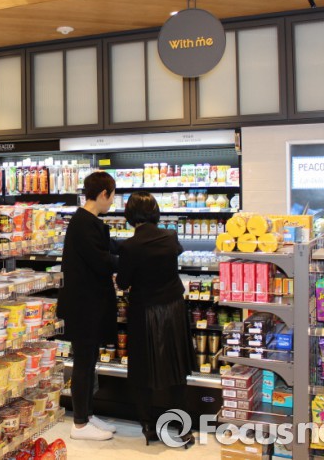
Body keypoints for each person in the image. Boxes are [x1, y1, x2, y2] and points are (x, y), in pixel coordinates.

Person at [115, 191, 196, 446]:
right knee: (176, 367)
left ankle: (148, 425)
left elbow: (123, 282)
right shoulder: (170, 237)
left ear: (130, 214)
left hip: (145, 310)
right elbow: (176, 253)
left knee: (142, 369)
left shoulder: (130, 246)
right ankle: (184, 428)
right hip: (173, 308)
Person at [57, 171, 119, 441]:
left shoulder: (87, 221)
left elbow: (108, 248)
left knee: (89, 360)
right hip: (83, 306)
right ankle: (80, 424)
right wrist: (130, 261)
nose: (112, 201)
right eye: (112, 196)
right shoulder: (83, 223)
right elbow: (102, 261)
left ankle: (88, 415)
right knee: (83, 362)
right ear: (103, 193)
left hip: (88, 304)